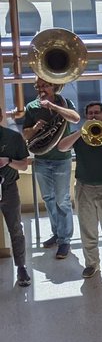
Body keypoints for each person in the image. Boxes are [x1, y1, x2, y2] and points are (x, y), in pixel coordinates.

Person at [57, 101, 102, 279]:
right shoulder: (80, 136)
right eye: (91, 114)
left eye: (97, 114)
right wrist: (81, 131)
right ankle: (91, 264)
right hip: (84, 187)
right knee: (88, 230)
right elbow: (62, 146)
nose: (94, 116)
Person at [22, 77, 80, 260]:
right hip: (41, 159)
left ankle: (65, 241)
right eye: (38, 86)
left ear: (53, 86)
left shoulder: (64, 102)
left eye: (44, 85)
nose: (41, 89)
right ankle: (57, 233)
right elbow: (25, 133)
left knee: (62, 200)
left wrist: (53, 107)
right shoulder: (32, 107)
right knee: (48, 199)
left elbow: (76, 118)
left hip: (61, 159)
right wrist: (35, 128)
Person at [0, 105, 31, 287]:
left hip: (8, 188)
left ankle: (21, 267)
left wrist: (8, 161)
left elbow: (24, 166)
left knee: (16, 229)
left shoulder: (13, 137)